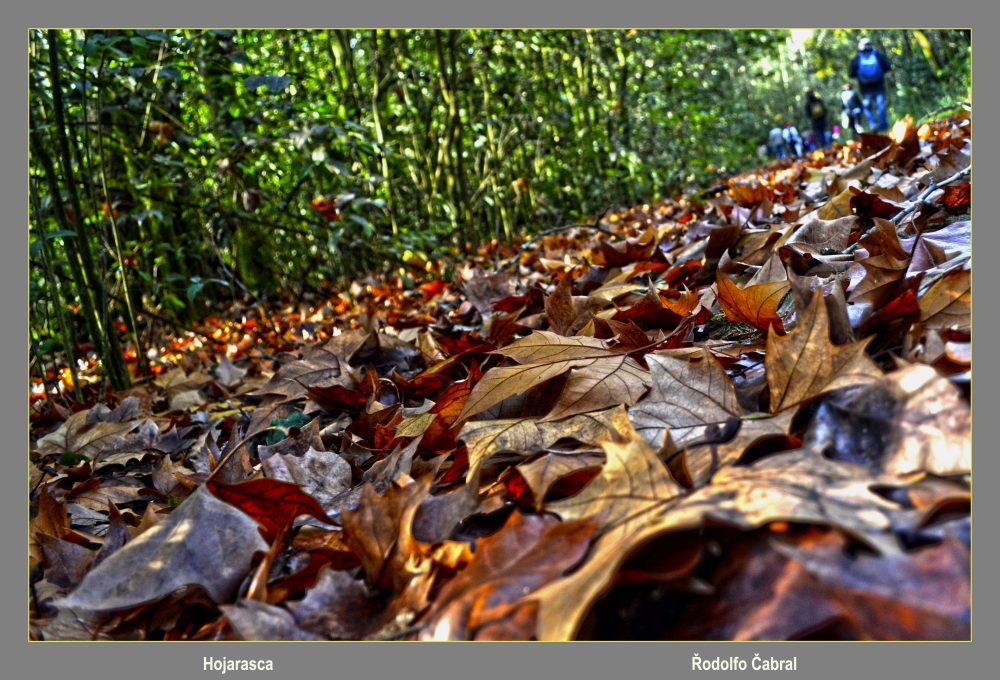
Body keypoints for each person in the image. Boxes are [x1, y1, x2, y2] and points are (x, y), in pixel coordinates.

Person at [848, 37, 892, 132]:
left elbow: (851, 73)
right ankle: (884, 129)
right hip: (879, 87)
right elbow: (887, 66)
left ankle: (873, 125)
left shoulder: (857, 58)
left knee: (867, 108)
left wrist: (860, 75)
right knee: (880, 108)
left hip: (865, 89)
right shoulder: (877, 54)